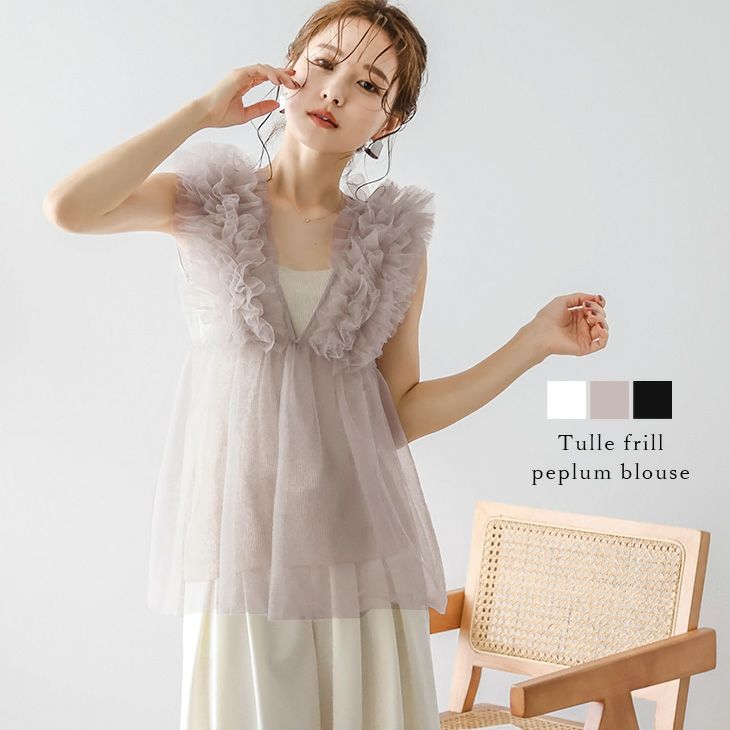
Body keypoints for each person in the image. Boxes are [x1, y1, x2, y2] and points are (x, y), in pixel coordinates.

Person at [43, 1, 610, 727]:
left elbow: (399, 410)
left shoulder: (392, 241)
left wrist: (533, 343)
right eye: (323, 63)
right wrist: (199, 114)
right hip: (240, 548)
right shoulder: (208, 204)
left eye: (370, 84)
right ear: (289, 69)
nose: (336, 90)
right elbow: (70, 208)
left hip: (359, 550)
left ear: (390, 121)